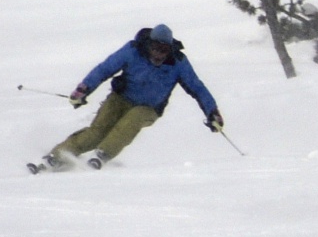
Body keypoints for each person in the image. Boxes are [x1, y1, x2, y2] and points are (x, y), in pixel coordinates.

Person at [34, 24, 223, 172]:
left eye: (164, 50)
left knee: (131, 122)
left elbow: (197, 88)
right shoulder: (133, 50)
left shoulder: (178, 62)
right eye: (155, 48)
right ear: (149, 44)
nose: (159, 54)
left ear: (170, 49)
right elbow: (105, 68)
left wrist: (212, 112)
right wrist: (83, 90)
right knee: (97, 132)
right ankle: (57, 156)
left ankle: (102, 155)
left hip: (149, 108)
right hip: (120, 98)